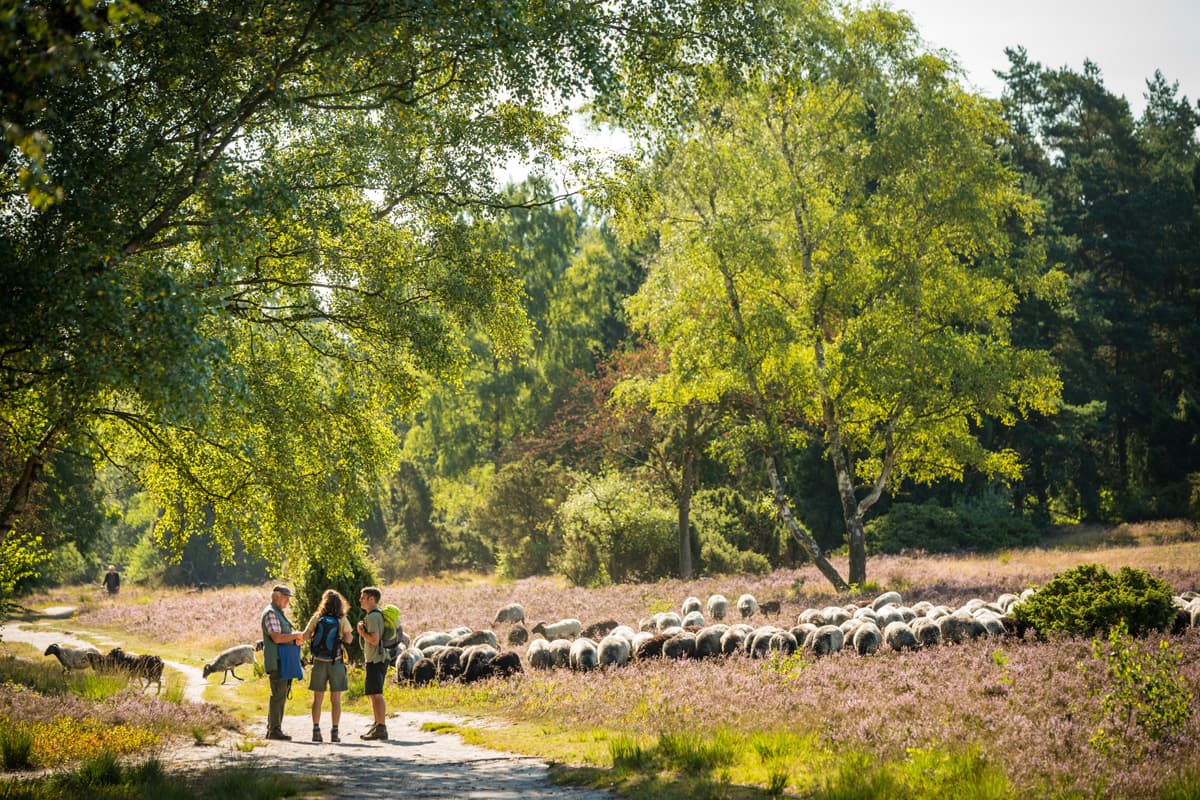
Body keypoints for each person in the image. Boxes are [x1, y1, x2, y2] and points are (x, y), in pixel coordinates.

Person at [303, 588, 353, 743]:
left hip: (319, 662)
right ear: (340, 604)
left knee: (317, 699)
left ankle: (316, 730)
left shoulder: (317, 617)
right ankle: (334, 732)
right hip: (335, 662)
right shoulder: (341, 619)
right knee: (335, 699)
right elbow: (349, 639)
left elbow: (305, 636)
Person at [260, 584, 304, 741]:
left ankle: (273, 729)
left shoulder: (277, 613)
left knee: (280, 695)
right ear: (276, 596)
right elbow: (277, 638)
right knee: (278, 695)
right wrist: (296, 635)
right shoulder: (271, 613)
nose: (288, 601)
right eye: (286, 597)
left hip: (282, 660)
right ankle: (274, 730)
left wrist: (293, 638)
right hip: (278, 660)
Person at [357, 586, 388, 740]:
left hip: (376, 659)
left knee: (376, 693)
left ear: (372, 599)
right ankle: (377, 725)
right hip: (376, 659)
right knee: (373, 693)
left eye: (363, 597)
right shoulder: (374, 615)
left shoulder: (373, 617)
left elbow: (374, 640)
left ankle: (381, 727)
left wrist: (361, 632)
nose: (360, 600)